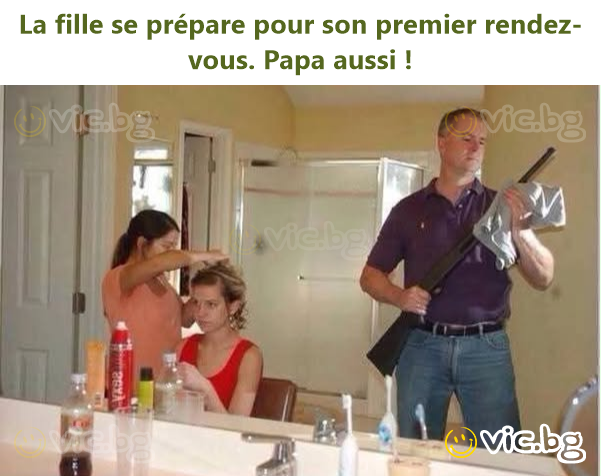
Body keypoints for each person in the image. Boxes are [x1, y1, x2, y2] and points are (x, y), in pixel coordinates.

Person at [359, 108, 554, 441]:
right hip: (421, 346)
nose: (476, 147)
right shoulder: (408, 210)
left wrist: (520, 232)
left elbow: (544, 276)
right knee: (416, 448)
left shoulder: (500, 208)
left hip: (486, 348)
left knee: (499, 453)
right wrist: (399, 296)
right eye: (466, 139)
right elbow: (370, 276)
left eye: (482, 141)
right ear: (441, 143)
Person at [102, 209, 227, 380]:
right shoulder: (119, 277)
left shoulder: (162, 281)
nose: (171, 252)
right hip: (129, 385)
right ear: (142, 243)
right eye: (167, 246)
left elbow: (184, 319)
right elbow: (160, 263)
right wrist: (205, 255)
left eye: (173, 247)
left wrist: (202, 293)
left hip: (166, 383)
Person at [176, 262, 263, 416]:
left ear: (233, 307)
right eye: (196, 303)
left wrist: (206, 390)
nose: (200, 313)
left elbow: (236, 426)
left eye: (211, 304)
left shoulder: (249, 357)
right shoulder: (182, 346)